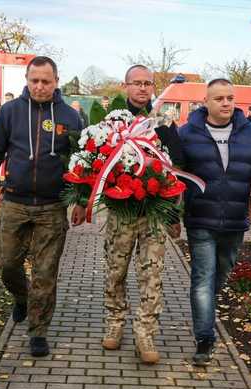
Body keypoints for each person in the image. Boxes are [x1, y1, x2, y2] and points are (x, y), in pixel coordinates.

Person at [72, 64, 184, 365]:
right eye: (137, 83)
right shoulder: (110, 124)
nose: (143, 88)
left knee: (152, 275)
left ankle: (145, 334)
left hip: (154, 215)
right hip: (121, 214)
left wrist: (174, 216)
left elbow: (176, 172)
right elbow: (93, 164)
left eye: (148, 83)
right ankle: (115, 323)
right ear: (125, 86)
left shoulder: (163, 124)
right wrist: (84, 201)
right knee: (115, 272)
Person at [0, 56, 83, 358]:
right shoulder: (10, 112)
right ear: (27, 79)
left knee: (45, 273)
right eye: (34, 80)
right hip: (14, 203)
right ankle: (21, 298)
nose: (39, 86)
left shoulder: (70, 117)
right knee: (8, 264)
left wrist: (80, 200)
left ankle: (38, 331)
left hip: (52, 207)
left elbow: (82, 162)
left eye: (45, 81)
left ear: (56, 81)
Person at [177, 78, 251, 366]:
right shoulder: (188, 134)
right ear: (206, 102)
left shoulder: (250, 134)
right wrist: (173, 215)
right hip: (200, 220)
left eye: (230, 98)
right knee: (202, 279)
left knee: (219, 277)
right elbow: (174, 177)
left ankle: (205, 313)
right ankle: (204, 339)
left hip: (235, 221)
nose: (226, 103)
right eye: (219, 98)